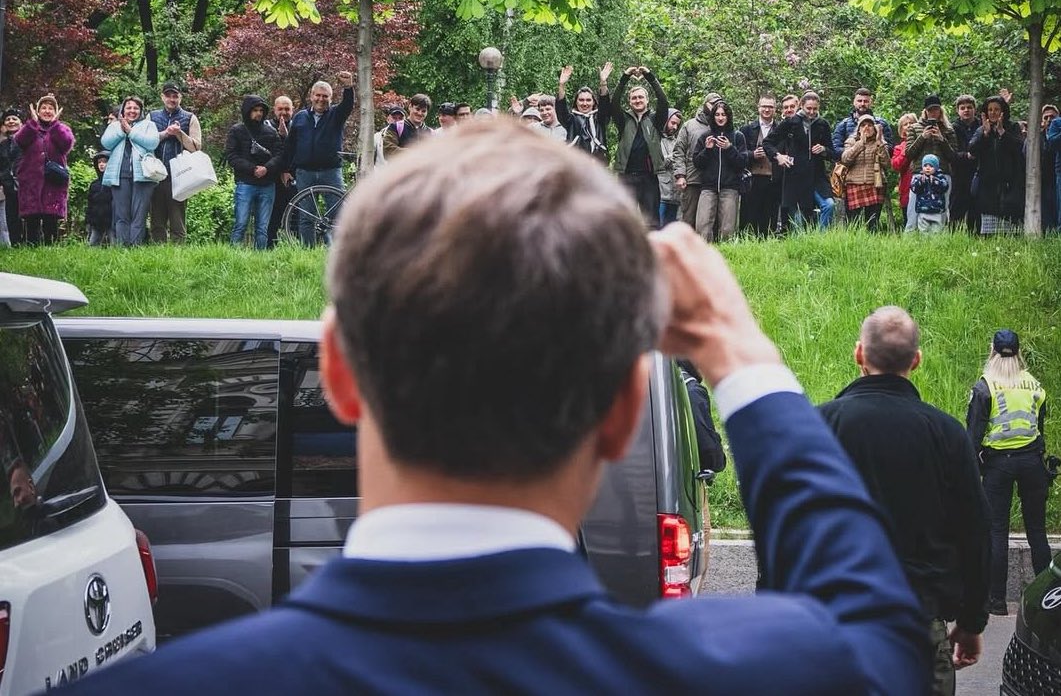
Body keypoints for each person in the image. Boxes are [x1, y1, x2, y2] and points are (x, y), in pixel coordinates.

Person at [70, 123, 927, 696]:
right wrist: (736, 352)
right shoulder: (762, 673)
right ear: (623, 409)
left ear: (337, 373)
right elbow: (875, 625)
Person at [820, 307, 989, 696]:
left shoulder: (819, 426)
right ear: (916, 360)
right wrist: (971, 622)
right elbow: (976, 531)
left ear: (859, 354)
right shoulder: (947, 433)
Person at [966, 330, 1052, 616]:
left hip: (998, 464)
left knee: (997, 531)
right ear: (1019, 352)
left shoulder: (985, 387)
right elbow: (1039, 427)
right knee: (1037, 531)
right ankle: (1047, 598)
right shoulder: (1035, 385)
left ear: (992, 350)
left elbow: (973, 436)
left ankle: (997, 601)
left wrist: (972, 469)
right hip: (1033, 462)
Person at [283, 72, 354, 246]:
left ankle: (336, 252)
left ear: (331, 98)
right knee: (306, 216)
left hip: (331, 171)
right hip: (305, 173)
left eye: (325, 96)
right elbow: (290, 146)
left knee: (338, 214)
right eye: (318, 95)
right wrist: (286, 169)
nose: (321, 99)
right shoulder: (300, 117)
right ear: (311, 96)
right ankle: (308, 252)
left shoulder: (336, 114)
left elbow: (347, 105)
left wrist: (348, 87)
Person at [763, 90, 836, 231]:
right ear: (801, 105)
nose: (812, 112)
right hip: (795, 179)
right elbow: (767, 143)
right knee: (799, 223)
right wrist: (778, 156)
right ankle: (802, 243)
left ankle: (822, 238)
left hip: (817, 177)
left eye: (815, 109)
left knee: (829, 205)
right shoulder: (790, 123)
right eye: (809, 108)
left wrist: (824, 150)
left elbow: (833, 153)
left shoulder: (822, 124)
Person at [13, 94, 75, 245]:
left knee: (51, 223)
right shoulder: (29, 128)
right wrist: (32, 124)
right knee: (31, 223)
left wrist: (55, 126)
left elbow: (67, 144)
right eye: (44, 108)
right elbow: (19, 141)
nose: (47, 111)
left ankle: (50, 251)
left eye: (51, 108)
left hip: (53, 182)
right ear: (38, 110)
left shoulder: (62, 129)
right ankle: (31, 249)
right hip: (31, 182)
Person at [611, 66, 670, 224]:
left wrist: (650, 76)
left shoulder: (655, 119)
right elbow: (614, 103)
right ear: (630, 102)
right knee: (624, 219)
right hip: (626, 176)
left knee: (651, 221)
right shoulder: (623, 120)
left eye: (640, 97)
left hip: (649, 176)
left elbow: (663, 101)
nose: (637, 100)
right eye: (634, 98)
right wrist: (625, 77)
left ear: (647, 100)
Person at [225, 95, 284, 250]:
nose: (258, 113)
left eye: (261, 110)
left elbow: (279, 155)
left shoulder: (271, 132)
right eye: (255, 110)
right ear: (247, 111)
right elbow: (232, 156)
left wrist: (266, 168)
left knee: (262, 228)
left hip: (267, 184)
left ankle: (260, 258)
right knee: (241, 224)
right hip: (245, 183)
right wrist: (252, 169)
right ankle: (232, 256)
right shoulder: (237, 131)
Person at [101, 96, 161, 246]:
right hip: (120, 175)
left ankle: (135, 247)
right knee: (121, 215)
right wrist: (122, 131)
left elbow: (153, 143)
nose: (132, 111)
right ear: (123, 110)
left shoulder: (149, 125)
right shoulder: (115, 126)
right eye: (129, 108)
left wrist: (131, 131)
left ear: (141, 110)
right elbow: (106, 143)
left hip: (143, 176)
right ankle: (122, 247)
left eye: (136, 108)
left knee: (139, 215)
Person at [149, 82, 203, 244]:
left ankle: (178, 253)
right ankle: (158, 252)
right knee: (156, 220)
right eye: (168, 96)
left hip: (180, 176)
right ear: (162, 97)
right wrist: (166, 133)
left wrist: (179, 133)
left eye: (175, 96)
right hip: (156, 174)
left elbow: (196, 147)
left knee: (177, 220)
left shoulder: (190, 118)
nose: (172, 99)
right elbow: (146, 142)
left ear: (180, 98)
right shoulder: (151, 116)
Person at [691, 100, 748, 242]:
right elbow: (697, 163)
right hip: (708, 187)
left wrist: (729, 148)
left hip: (730, 187)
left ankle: (726, 253)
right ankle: (704, 253)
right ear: (713, 117)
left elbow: (742, 163)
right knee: (702, 226)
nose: (720, 118)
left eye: (723, 114)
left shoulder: (738, 136)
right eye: (717, 114)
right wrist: (707, 150)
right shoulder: (705, 136)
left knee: (727, 229)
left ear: (728, 116)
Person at [969, 95, 1025, 234]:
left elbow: (1020, 148)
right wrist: (985, 134)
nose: (993, 113)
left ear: (1002, 111)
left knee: (1010, 225)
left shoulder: (1012, 127)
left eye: (996, 109)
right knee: (988, 225)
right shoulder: (981, 130)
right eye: (990, 110)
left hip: (1009, 183)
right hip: (987, 183)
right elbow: (972, 149)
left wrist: (1002, 133)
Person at [672, 93, 720, 231]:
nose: (715, 107)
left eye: (718, 103)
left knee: (712, 222)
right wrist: (680, 175)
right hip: (693, 180)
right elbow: (678, 151)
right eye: (712, 103)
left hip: (715, 181)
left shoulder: (722, 125)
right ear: (705, 104)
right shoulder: (690, 125)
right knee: (689, 219)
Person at [905, 96, 958, 220]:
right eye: (930, 110)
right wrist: (922, 137)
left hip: (942, 174)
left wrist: (942, 139)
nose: (933, 113)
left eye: (936, 109)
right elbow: (909, 154)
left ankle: (941, 232)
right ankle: (911, 232)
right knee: (913, 212)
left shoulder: (948, 129)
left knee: (941, 212)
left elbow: (953, 156)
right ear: (925, 111)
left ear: (940, 110)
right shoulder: (914, 128)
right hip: (920, 174)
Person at [839, 113, 891, 229]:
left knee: (872, 222)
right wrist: (860, 143)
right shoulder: (851, 141)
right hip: (854, 184)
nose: (866, 128)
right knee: (853, 223)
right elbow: (845, 160)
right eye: (863, 125)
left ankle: (872, 240)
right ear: (858, 129)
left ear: (875, 128)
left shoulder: (880, 142)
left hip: (876, 184)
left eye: (870, 125)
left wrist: (880, 141)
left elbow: (887, 164)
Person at [739, 95, 781, 236]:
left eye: (770, 107)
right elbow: (738, 154)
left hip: (773, 179)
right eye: (764, 106)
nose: (767, 110)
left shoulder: (781, 129)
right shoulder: (746, 129)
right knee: (749, 217)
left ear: (775, 109)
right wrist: (752, 154)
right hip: (752, 179)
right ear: (758, 108)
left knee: (769, 217)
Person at [675, 360, 726, 474]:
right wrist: (717, 461)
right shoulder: (692, 390)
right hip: (678, 475)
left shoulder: (659, 384)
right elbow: (710, 451)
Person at [556, 62, 612, 161]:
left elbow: (605, 105)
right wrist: (561, 85)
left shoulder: (599, 118)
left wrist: (603, 82)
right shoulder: (571, 120)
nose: (585, 103)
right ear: (576, 102)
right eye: (581, 100)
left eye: (588, 100)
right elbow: (561, 109)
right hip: (576, 164)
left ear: (593, 102)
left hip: (597, 163)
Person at [266, 95, 296, 248]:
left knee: (296, 217)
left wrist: (287, 136)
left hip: (294, 178)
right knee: (273, 218)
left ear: (292, 110)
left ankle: (299, 250)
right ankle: (269, 250)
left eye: (287, 109)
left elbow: (300, 151)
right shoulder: (266, 126)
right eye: (280, 109)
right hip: (273, 179)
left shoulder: (298, 126)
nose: (283, 112)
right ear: (274, 110)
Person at [832, 87, 895, 156]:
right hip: (850, 162)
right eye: (859, 101)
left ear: (871, 103)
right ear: (854, 102)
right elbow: (835, 149)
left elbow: (890, 149)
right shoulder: (843, 125)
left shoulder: (881, 123)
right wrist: (854, 153)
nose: (862, 104)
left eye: (866, 101)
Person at [951, 95, 980, 232]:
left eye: (969, 107)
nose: (966, 110)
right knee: (956, 209)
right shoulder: (952, 128)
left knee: (976, 208)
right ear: (958, 111)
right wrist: (966, 155)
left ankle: (975, 236)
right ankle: (953, 236)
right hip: (959, 174)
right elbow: (950, 152)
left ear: (975, 109)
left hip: (978, 172)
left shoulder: (981, 126)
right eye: (962, 108)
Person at [890, 112, 918, 232]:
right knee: (908, 220)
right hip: (907, 187)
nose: (909, 126)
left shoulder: (924, 142)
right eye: (905, 124)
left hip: (925, 188)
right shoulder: (899, 148)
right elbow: (896, 165)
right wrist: (906, 150)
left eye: (911, 123)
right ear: (901, 130)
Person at [910, 155, 950, 234]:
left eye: (931, 166)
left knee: (936, 232)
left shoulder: (940, 177)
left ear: (936, 167)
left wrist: (936, 182)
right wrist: (920, 182)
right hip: (923, 211)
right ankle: (924, 241)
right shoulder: (919, 177)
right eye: (925, 166)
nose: (927, 168)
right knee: (923, 231)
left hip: (937, 211)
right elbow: (913, 188)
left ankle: (935, 241)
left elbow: (945, 187)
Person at [657, 109, 683, 227]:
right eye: (673, 123)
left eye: (677, 124)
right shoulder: (656, 139)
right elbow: (657, 163)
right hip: (661, 194)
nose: (675, 127)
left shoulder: (677, 141)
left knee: (671, 230)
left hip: (675, 196)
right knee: (658, 228)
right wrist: (674, 156)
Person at [0, 107, 21, 246]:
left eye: (14, 118)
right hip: (8, 186)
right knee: (11, 217)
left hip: (26, 184)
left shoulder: (27, 141)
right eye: (8, 119)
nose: (11, 121)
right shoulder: (2, 145)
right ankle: (15, 245)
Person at [85, 151, 113, 246]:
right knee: (92, 246)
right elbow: (90, 204)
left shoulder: (115, 183)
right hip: (97, 222)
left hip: (112, 220)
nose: (101, 164)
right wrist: (88, 220)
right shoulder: (94, 185)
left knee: (116, 246)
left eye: (104, 162)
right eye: (99, 162)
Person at [1039, 103, 1059, 231]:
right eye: (1046, 117)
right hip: (1043, 181)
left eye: (1052, 117)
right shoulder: (1036, 138)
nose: (1049, 120)